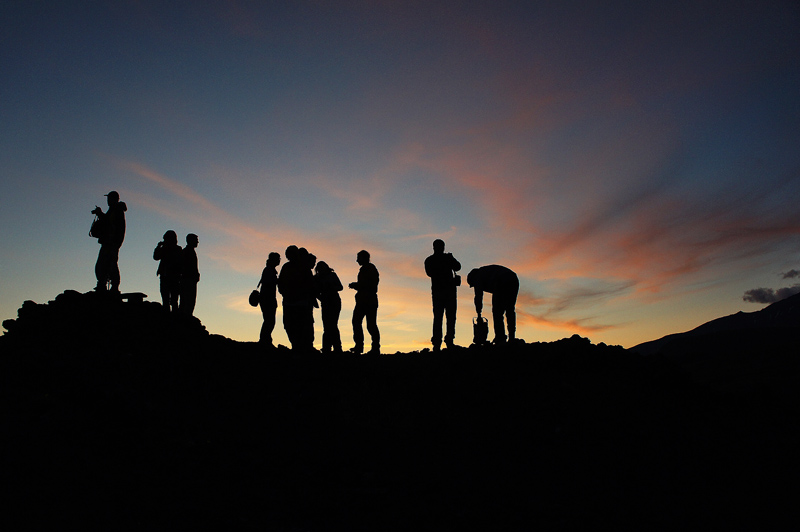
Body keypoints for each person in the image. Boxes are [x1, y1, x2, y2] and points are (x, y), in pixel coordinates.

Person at [467, 265, 519, 344]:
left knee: (497, 312)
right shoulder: (484, 272)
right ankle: (511, 337)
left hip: (501, 280)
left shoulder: (478, 276)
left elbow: (478, 296)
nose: (475, 286)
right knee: (510, 309)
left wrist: (478, 313)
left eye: (473, 285)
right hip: (513, 279)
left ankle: (500, 337)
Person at [424, 239, 461, 351]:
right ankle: (444, 342)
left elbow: (458, 267)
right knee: (446, 317)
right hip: (444, 292)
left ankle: (440, 343)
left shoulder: (430, 260)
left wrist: (451, 259)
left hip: (440, 292)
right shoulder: (438, 259)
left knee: (441, 318)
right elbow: (457, 267)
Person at [278, 245, 315, 350]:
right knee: (290, 325)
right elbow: (280, 283)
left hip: (301, 302)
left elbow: (310, 284)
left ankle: (302, 348)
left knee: (300, 326)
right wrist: (284, 293)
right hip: (291, 302)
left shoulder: (303, 268)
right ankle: (297, 347)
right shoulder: (287, 267)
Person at [91, 190, 127, 293]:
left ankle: (112, 286)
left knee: (109, 264)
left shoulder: (116, 210)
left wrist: (100, 214)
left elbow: (109, 223)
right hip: (110, 242)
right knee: (104, 264)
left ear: (113, 199)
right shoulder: (114, 210)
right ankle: (103, 284)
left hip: (111, 242)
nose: (107, 201)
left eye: (109, 198)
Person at [349, 250, 380, 355]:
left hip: (368, 301)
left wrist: (356, 285)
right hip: (364, 301)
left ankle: (374, 348)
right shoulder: (367, 269)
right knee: (359, 322)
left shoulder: (370, 269)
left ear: (364, 258)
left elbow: (369, 285)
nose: (357, 260)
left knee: (370, 325)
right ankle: (360, 346)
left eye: (358, 258)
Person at [314, 261, 343, 354]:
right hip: (326, 303)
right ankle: (328, 347)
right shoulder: (317, 278)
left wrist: (330, 288)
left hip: (334, 302)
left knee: (332, 325)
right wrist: (321, 298)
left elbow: (340, 287)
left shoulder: (332, 275)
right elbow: (315, 291)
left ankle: (336, 347)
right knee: (327, 326)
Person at [153, 230, 183, 312]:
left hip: (173, 277)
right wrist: (159, 247)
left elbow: (180, 264)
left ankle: (173, 318)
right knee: (166, 299)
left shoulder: (177, 249)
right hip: (166, 276)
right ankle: (168, 316)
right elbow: (156, 257)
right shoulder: (166, 249)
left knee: (173, 300)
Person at [258, 252, 281, 348]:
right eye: (278, 258)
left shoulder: (269, 269)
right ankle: (264, 340)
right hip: (267, 299)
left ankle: (266, 339)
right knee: (269, 321)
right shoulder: (269, 270)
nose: (279, 260)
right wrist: (278, 280)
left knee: (269, 320)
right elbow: (269, 283)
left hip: (267, 298)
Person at [179, 233, 200, 315]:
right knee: (187, 300)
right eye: (196, 240)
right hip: (187, 280)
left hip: (191, 279)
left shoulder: (190, 251)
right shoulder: (186, 252)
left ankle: (187, 316)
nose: (197, 242)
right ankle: (185, 318)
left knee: (190, 300)